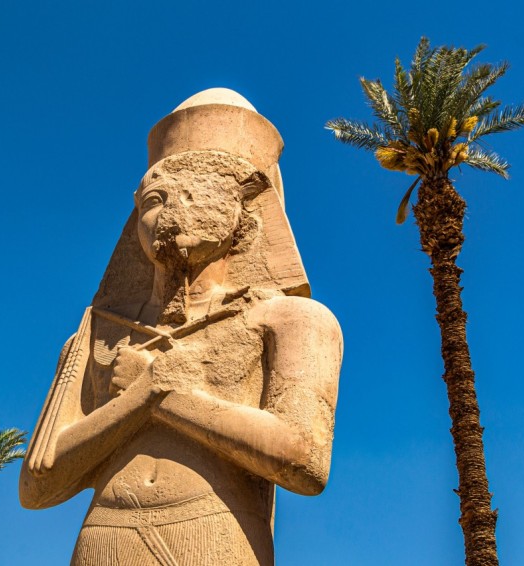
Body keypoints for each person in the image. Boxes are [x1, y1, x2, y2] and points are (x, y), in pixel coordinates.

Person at [21, 91, 343, 566]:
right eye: (154, 198)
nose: (170, 210)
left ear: (242, 207)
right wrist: (139, 399)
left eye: (198, 189)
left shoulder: (292, 319)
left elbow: (304, 458)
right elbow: (38, 481)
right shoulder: (98, 330)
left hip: (216, 530)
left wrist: (167, 396)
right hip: (103, 538)